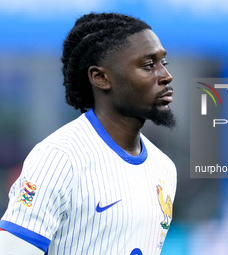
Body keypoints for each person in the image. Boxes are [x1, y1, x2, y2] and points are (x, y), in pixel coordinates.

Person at [0, 12, 177, 255]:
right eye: (148, 65)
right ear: (101, 77)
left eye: (163, 63)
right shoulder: (58, 157)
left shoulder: (164, 167)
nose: (166, 76)